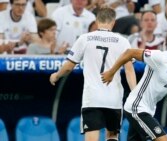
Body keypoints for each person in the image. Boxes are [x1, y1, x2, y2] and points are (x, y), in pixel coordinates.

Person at [101, 26, 167, 141]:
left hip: (149, 109)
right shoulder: (160, 57)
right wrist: (111, 72)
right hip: (137, 107)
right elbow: (130, 52)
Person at [49, 7, 137, 141]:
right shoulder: (122, 41)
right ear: (113, 22)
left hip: (93, 97)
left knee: (91, 137)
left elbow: (68, 67)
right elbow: (129, 70)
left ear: (96, 21)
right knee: (112, 136)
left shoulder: (85, 39)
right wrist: (135, 92)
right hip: (114, 98)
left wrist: (56, 75)